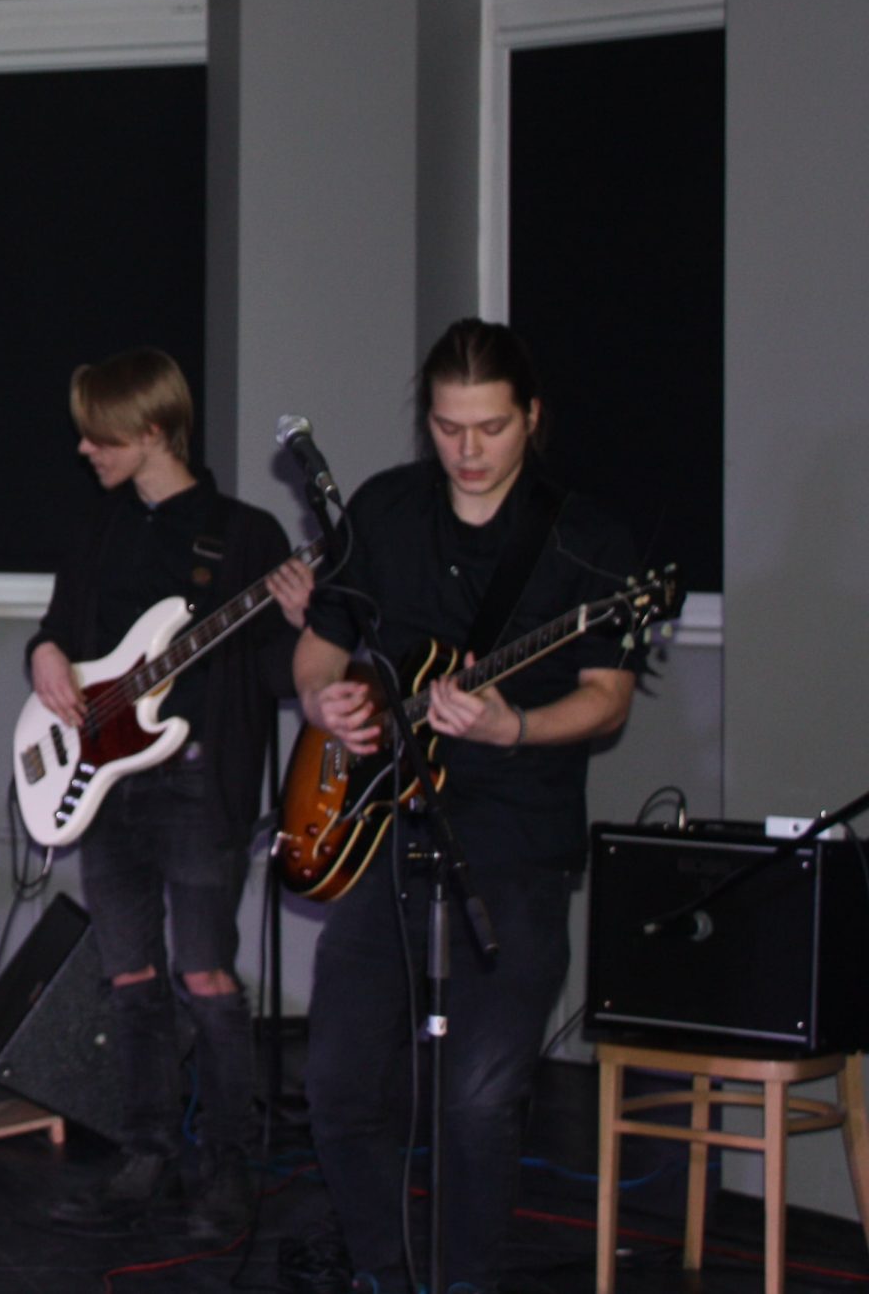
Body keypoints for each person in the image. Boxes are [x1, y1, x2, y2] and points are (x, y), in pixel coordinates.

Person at [295, 320, 639, 1294]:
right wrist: (324, 701)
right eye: (449, 428)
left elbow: (608, 698)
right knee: (337, 1083)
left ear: (531, 418)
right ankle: (379, 1270)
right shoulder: (384, 510)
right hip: (381, 833)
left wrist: (513, 726)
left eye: (491, 428)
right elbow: (319, 647)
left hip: (514, 845)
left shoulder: (585, 541)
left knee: (479, 1099)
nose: (469, 450)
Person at [28, 349, 314, 1241]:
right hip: (105, 784)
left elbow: (279, 677)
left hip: (198, 783)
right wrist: (42, 654)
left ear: (153, 429)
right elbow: (60, 631)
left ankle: (225, 1166)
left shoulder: (246, 535)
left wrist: (303, 623)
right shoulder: (98, 529)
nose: (85, 449)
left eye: (101, 435)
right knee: (130, 977)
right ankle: (145, 1151)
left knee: (205, 976)